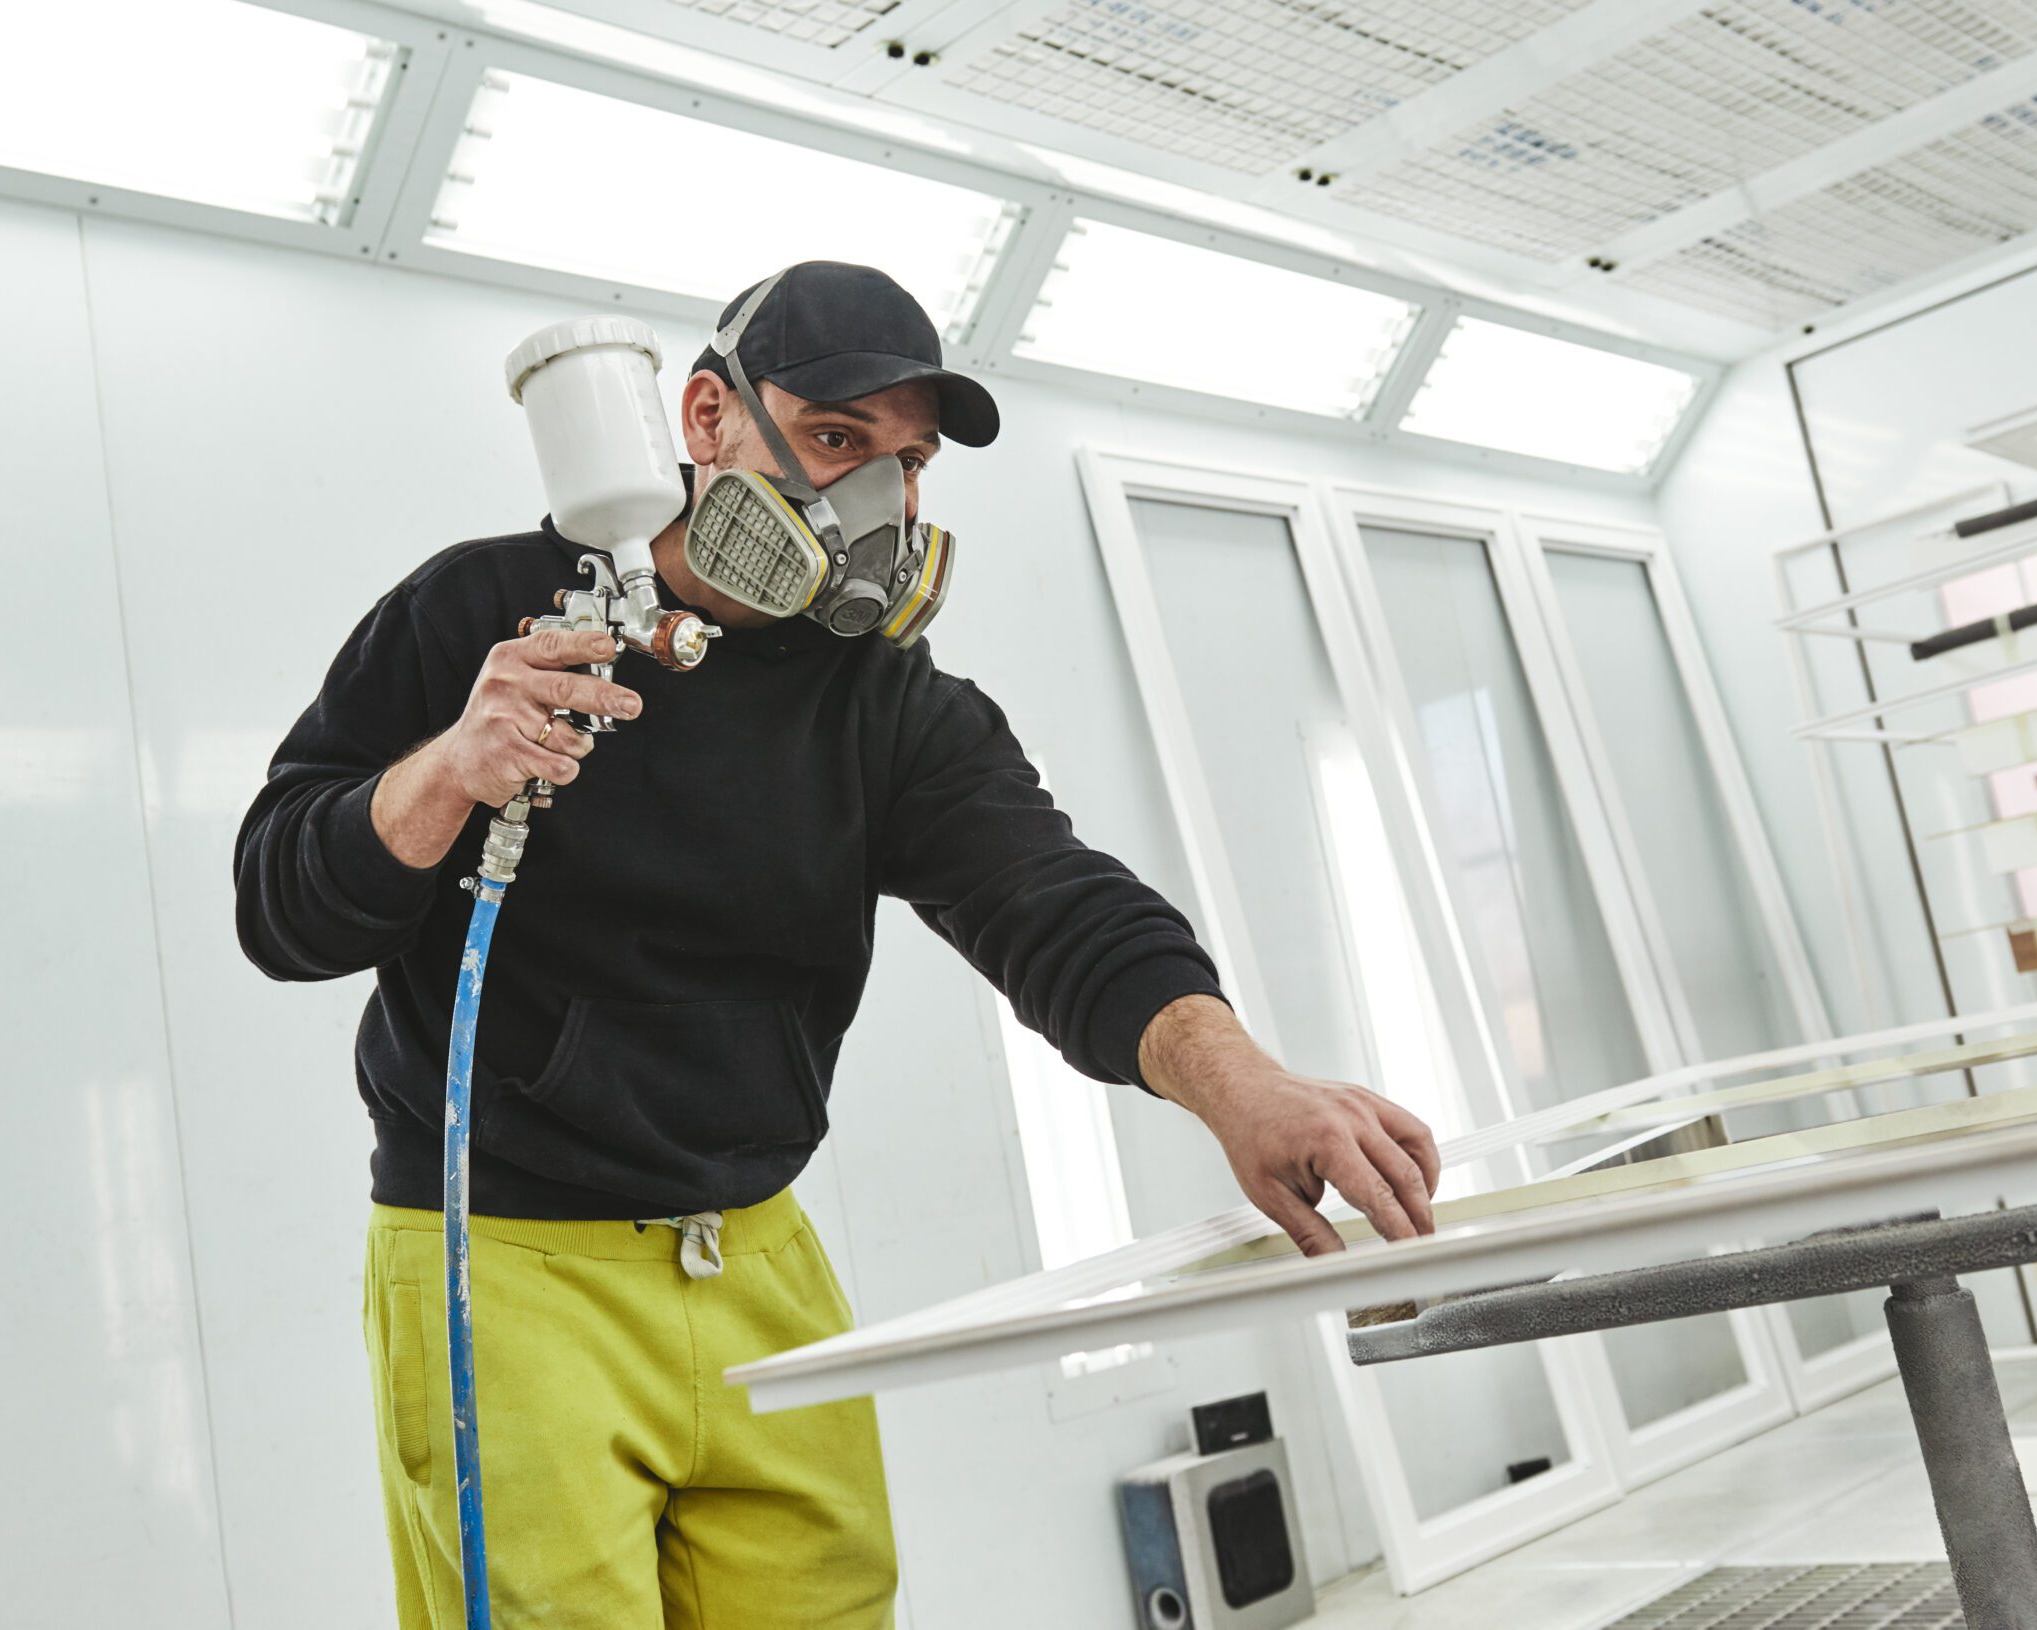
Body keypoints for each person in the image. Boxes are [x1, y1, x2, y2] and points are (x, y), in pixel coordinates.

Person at [234, 260, 1441, 1630]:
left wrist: (1245, 1084)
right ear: (705, 418)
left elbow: (1055, 901)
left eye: (907, 462)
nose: (875, 501)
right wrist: (449, 767)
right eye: (833, 441)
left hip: (756, 1248)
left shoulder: (892, 708)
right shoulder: (480, 617)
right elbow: (278, 905)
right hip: (508, 1261)